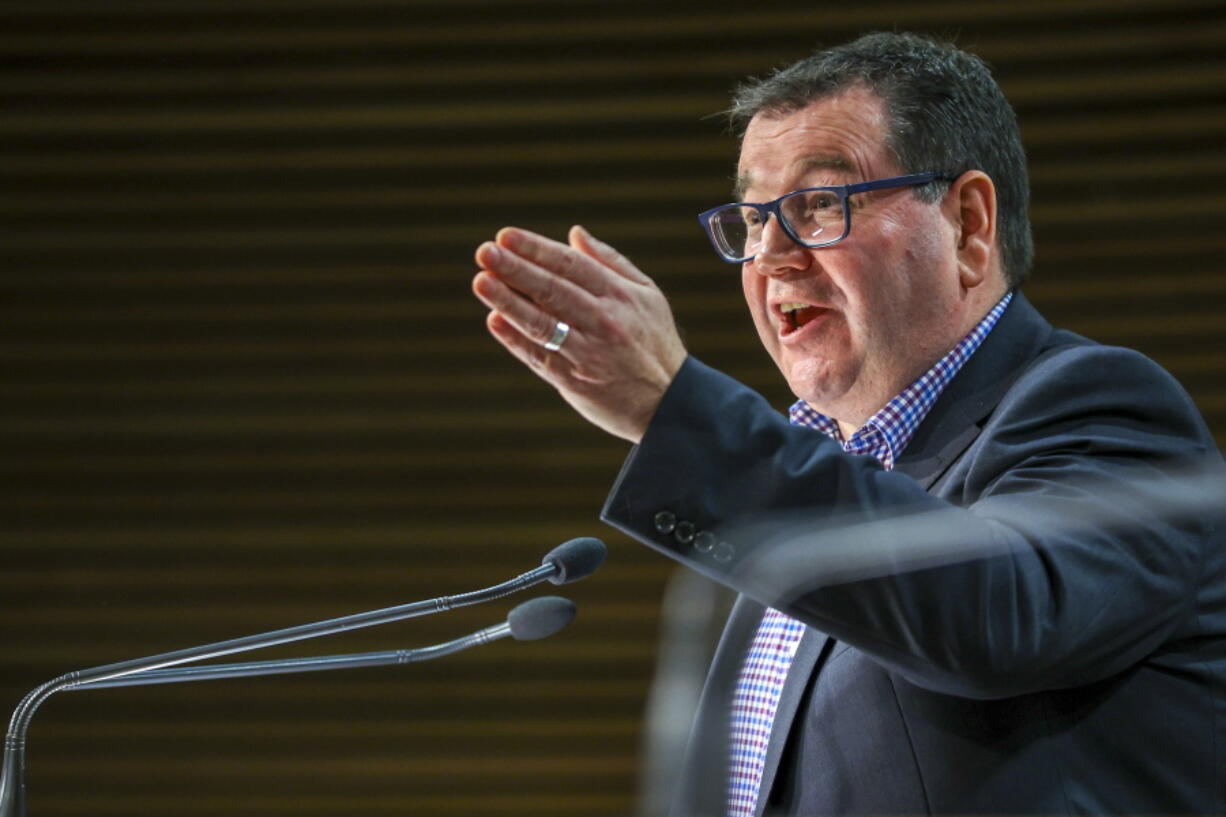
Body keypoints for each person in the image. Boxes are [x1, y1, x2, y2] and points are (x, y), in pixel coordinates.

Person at [471, 32, 1225, 816]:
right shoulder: (813, 480)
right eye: (756, 219)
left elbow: (997, 612)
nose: (771, 257)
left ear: (968, 224)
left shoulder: (1107, 411)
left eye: (818, 205)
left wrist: (676, 411)